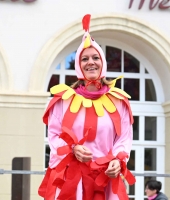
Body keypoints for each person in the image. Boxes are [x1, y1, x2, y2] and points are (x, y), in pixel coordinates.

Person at [38, 14, 136, 200]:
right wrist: (73, 148)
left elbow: (124, 138)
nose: (91, 62)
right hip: (73, 178)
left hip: (105, 177)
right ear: (78, 66)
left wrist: (117, 160)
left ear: (102, 63)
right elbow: (54, 136)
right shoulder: (62, 100)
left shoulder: (119, 101)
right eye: (84, 59)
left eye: (95, 58)